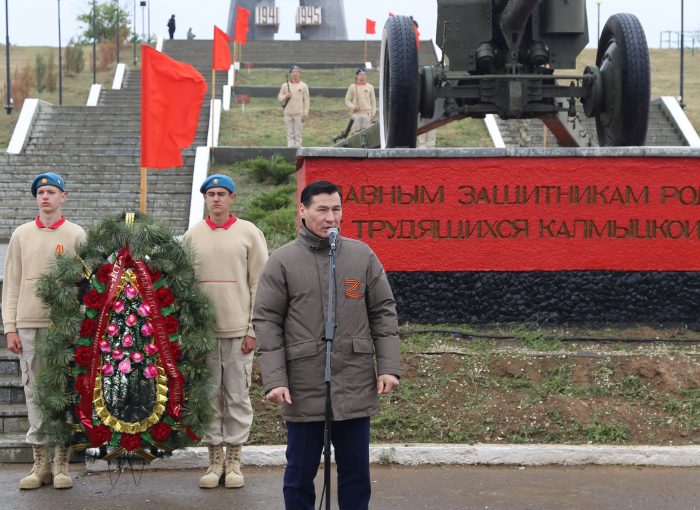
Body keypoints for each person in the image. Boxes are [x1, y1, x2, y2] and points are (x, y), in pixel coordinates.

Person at [253, 180, 401, 509]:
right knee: (299, 475)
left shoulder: (361, 256)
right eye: (322, 209)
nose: (330, 217)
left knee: (356, 475)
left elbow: (383, 312)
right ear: (303, 211)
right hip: (303, 386)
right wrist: (275, 379)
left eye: (336, 209)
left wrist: (389, 367)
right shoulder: (282, 261)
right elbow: (266, 321)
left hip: (355, 382)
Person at [183, 174, 268, 489]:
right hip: (204, 334)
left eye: (222, 193)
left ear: (233, 198)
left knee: (236, 396)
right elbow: (186, 288)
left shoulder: (248, 233)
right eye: (210, 193)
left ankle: (234, 461)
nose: (216, 198)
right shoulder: (193, 236)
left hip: (238, 333)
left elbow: (260, 283)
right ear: (205, 198)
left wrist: (253, 329)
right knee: (209, 397)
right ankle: (213, 460)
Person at [2, 172, 85, 490]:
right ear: (36, 198)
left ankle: (62, 464)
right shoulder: (21, 235)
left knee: (62, 395)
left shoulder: (76, 234)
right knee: (35, 394)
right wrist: (10, 327)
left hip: (63, 327)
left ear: (64, 197)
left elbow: (87, 285)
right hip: (28, 325)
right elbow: (11, 284)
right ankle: (41, 465)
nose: (46, 196)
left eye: (52, 191)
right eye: (41, 192)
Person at [277, 65, 310, 148]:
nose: (295, 74)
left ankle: (298, 152)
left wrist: (305, 113)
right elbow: (280, 98)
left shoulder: (303, 86)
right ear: (291, 74)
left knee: (298, 135)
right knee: (290, 134)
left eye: (296, 72)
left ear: (299, 73)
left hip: (299, 114)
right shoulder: (285, 85)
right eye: (293, 72)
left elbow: (306, 100)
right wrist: (286, 96)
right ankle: (290, 150)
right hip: (288, 113)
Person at [344, 67, 376, 134]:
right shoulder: (352, 87)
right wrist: (352, 106)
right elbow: (347, 100)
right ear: (357, 76)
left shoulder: (370, 87)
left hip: (367, 113)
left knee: (367, 134)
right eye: (361, 74)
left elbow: (373, 102)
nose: (362, 76)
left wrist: (373, 114)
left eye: (364, 74)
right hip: (357, 114)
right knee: (356, 133)